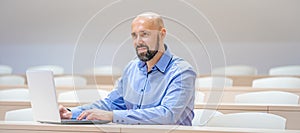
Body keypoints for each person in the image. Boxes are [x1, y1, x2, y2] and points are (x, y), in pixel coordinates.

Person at [60, 12, 196, 125]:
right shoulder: (131, 68)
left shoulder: (182, 72)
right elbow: (110, 104)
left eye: (144, 34)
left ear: (162, 34)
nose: (138, 41)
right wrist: (71, 113)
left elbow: (167, 115)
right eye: (134, 35)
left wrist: (112, 116)